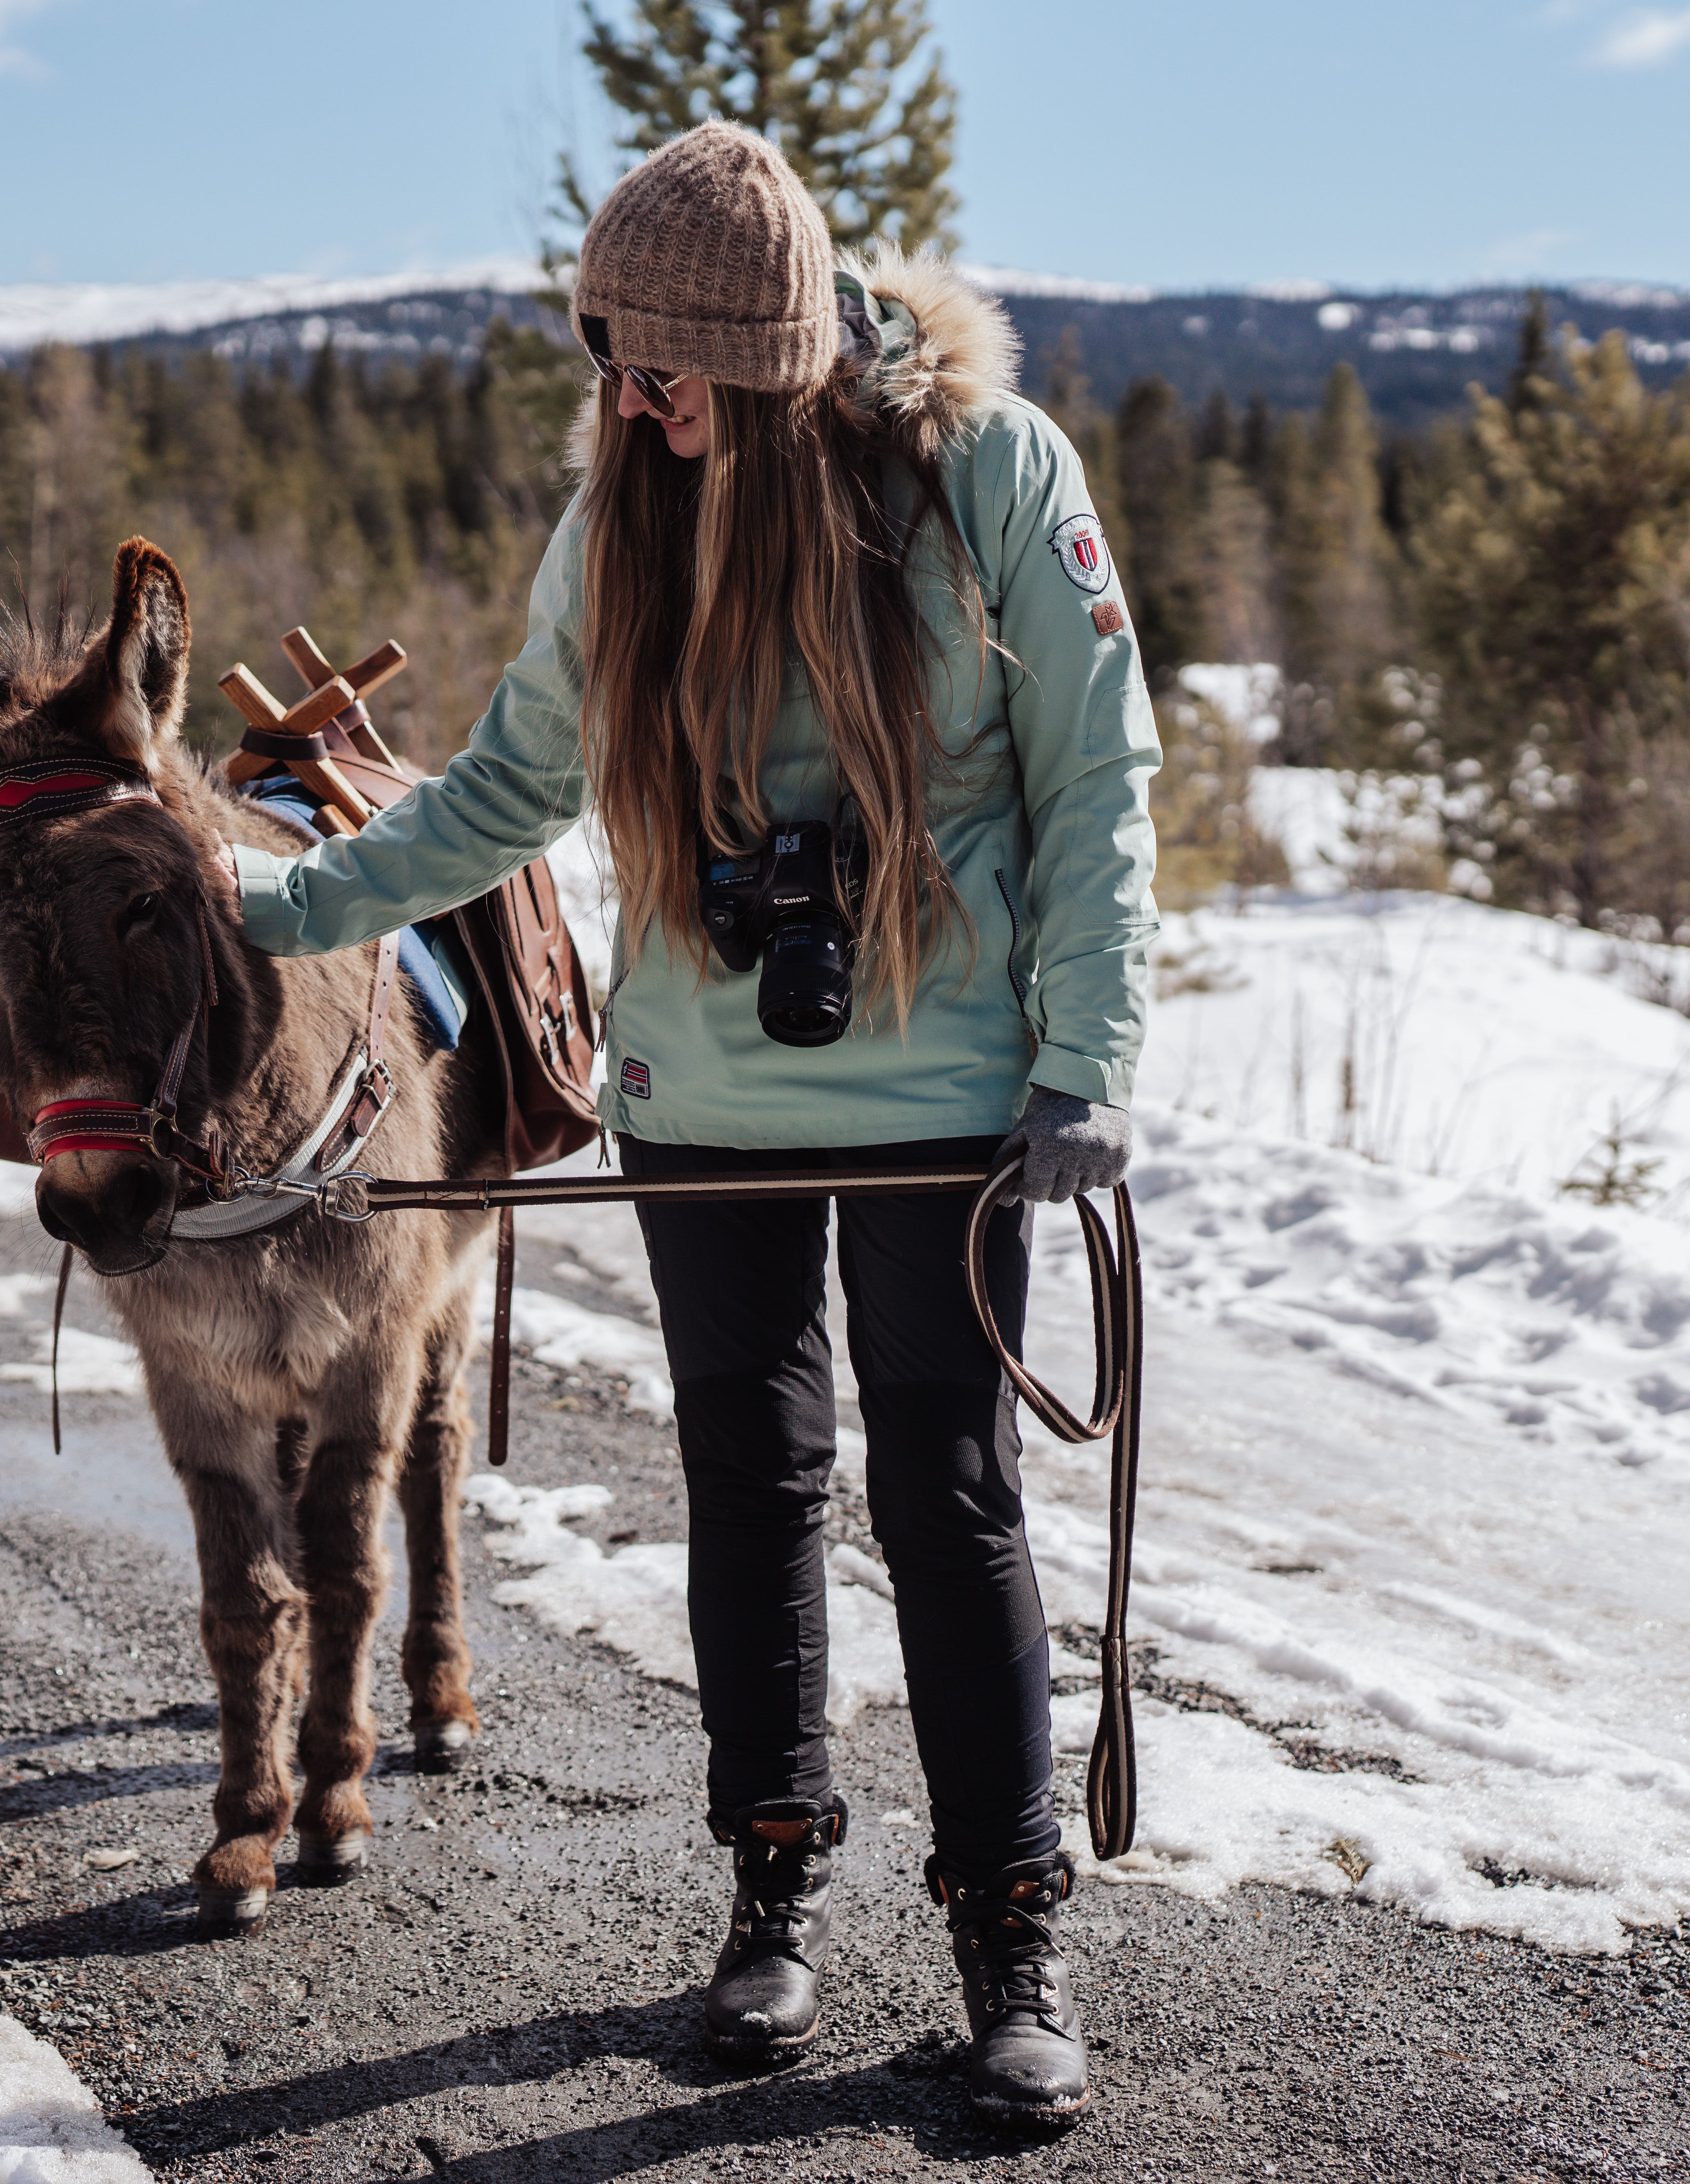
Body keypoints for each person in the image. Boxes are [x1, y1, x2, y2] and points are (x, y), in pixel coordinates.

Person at [228, 121, 1156, 2126]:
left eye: (670, 372)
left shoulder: (989, 477)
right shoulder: (616, 522)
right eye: (608, 362)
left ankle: (1009, 1933)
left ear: (784, 349)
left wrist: (1086, 1058)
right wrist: (284, 911)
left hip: (950, 1092)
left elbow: (1095, 782)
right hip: (699, 1099)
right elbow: (502, 791)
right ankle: (769, 1896)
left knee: (950, 1490)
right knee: (748, 1481)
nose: (633, 407)